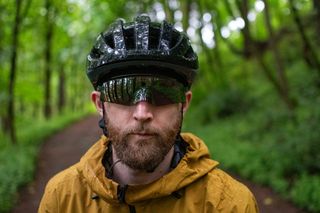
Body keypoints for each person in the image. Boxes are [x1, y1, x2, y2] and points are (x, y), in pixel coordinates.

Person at [38, 14, 259, 213]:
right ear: (99, 103)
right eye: (122, 92)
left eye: (163, 93)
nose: (142, 113)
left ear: (184, 103)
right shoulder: (61, 199)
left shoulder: (230, 205)